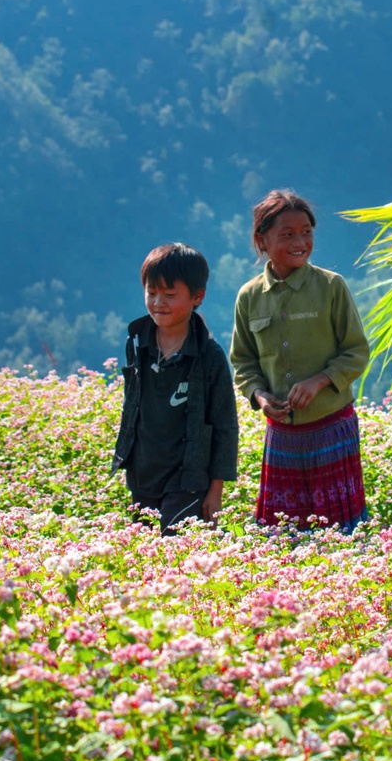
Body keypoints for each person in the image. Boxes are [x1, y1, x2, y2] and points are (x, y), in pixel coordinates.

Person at [230, 189, 371, 533]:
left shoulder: (331, 287)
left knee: (341, 533)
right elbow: (243, 362)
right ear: (262, 240)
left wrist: (319, 381)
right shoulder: (249, 297)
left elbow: (356, 351)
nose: (300, 241)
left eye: (306, 231)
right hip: (281, 435)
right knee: (282, 533)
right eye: (288, 234)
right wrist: (260, 397)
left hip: (331, 428)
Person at [113, 243, 239, 535]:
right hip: (143, 473)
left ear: (197, 297)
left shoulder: (210, 356)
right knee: (143, 556)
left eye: (170, 295)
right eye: (151, 292)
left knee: (176, 552)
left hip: (188, 478)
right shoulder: (138, 344)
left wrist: (216, 490)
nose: (159, 302)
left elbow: (225, 425)